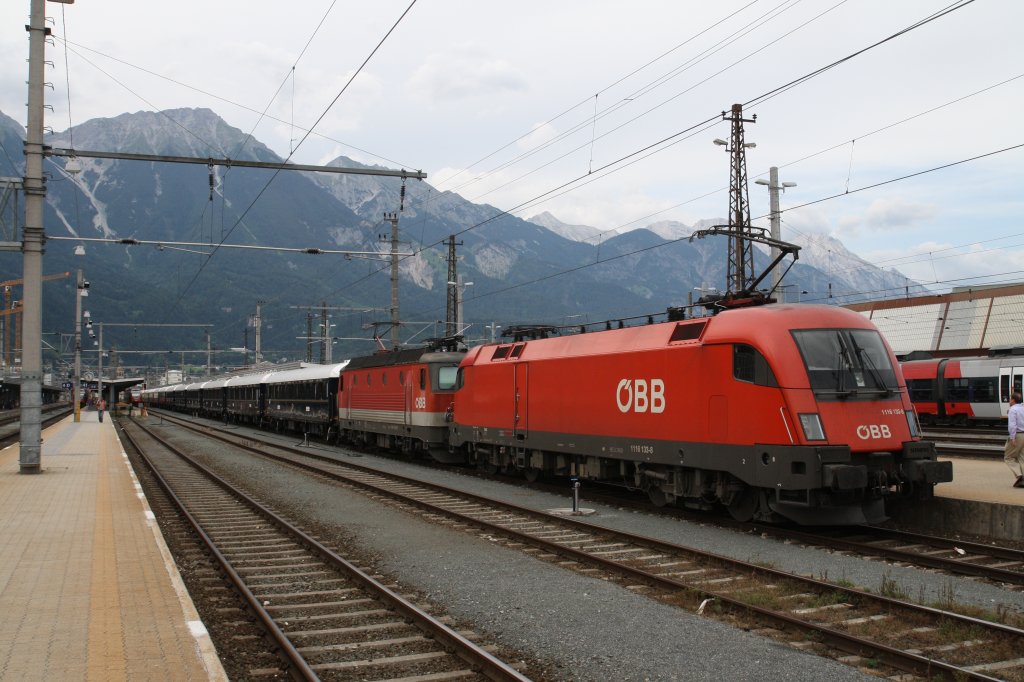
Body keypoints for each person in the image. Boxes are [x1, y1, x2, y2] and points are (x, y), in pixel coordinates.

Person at [1005, 391, 1024, 487]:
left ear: (1013, 400)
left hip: (1017, 435)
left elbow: (1012, 425)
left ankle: (1019, 475)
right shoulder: (1023, 408)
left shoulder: (1013, 409)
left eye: (1010, 399)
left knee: (1008, 457)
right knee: (1022, 457)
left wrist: (1012, 437)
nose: (1009, 401)